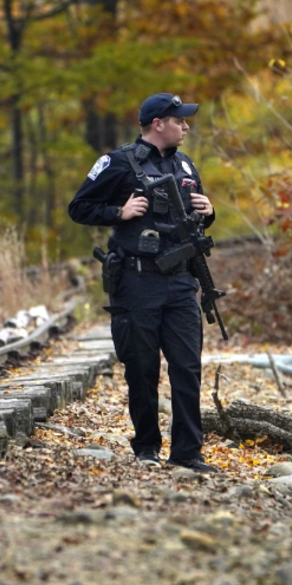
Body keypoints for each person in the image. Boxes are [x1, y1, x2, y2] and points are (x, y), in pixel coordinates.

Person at [68, 93, 218, 473]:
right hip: (137, 281)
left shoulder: (186, 164)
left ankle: (187, 452)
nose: (185, 126)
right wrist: (119, 212)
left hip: (182, 282)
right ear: (158, 124)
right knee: (142, 368)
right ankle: (146, 447)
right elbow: (79, 207)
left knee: (187, 367)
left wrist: (210, 212)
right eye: (179, 120)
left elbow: (194, 223)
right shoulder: (119, 162)